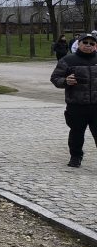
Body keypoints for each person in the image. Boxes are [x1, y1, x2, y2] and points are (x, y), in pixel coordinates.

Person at [51, 33, 97, 167]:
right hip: (76, 105)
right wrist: (65, 81)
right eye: (85, 42)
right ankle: (76, 157)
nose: (88, 45)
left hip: (96, 106)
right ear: (79, 44)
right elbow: (55, 78)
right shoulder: (67, 60)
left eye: (92, 43)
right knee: (77, 133)